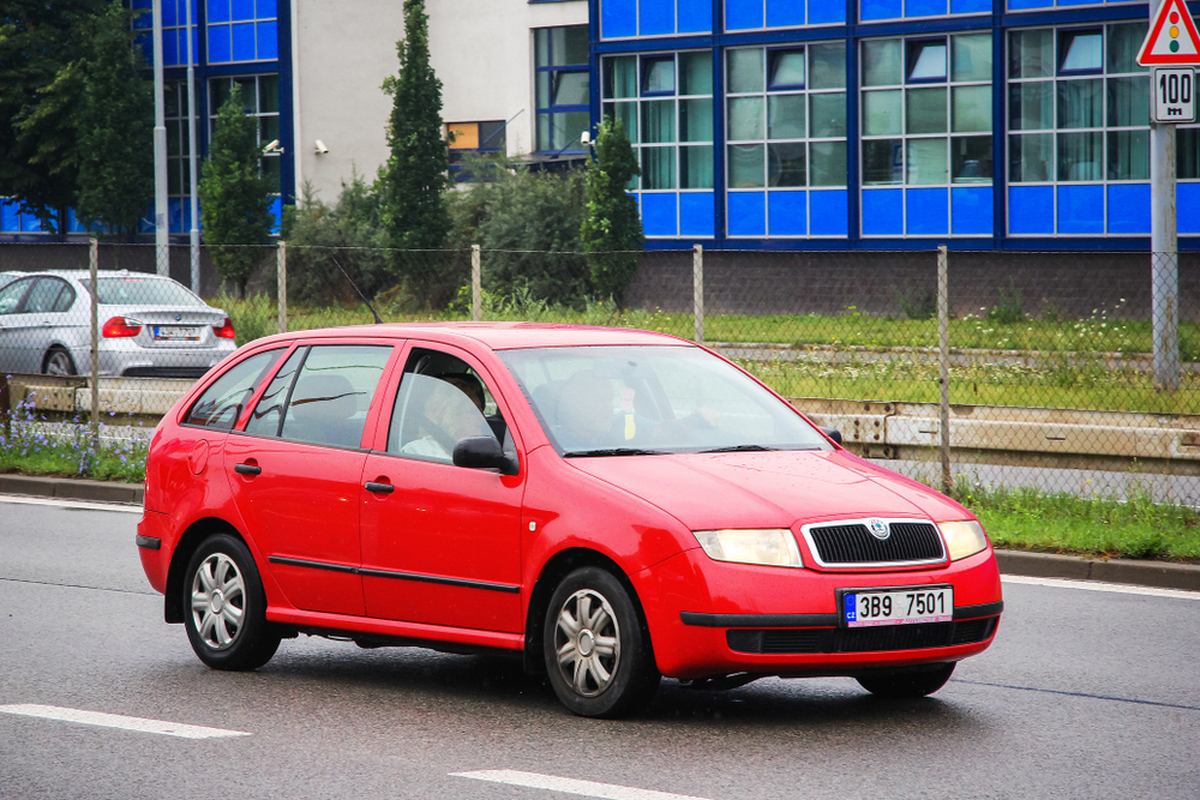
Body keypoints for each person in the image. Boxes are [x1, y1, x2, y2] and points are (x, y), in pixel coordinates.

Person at [399, 374, 490, 460]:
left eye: (481, 411)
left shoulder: (482, 451)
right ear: (452, 415)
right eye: (473, 412)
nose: (483, 419)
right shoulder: (416, 452)